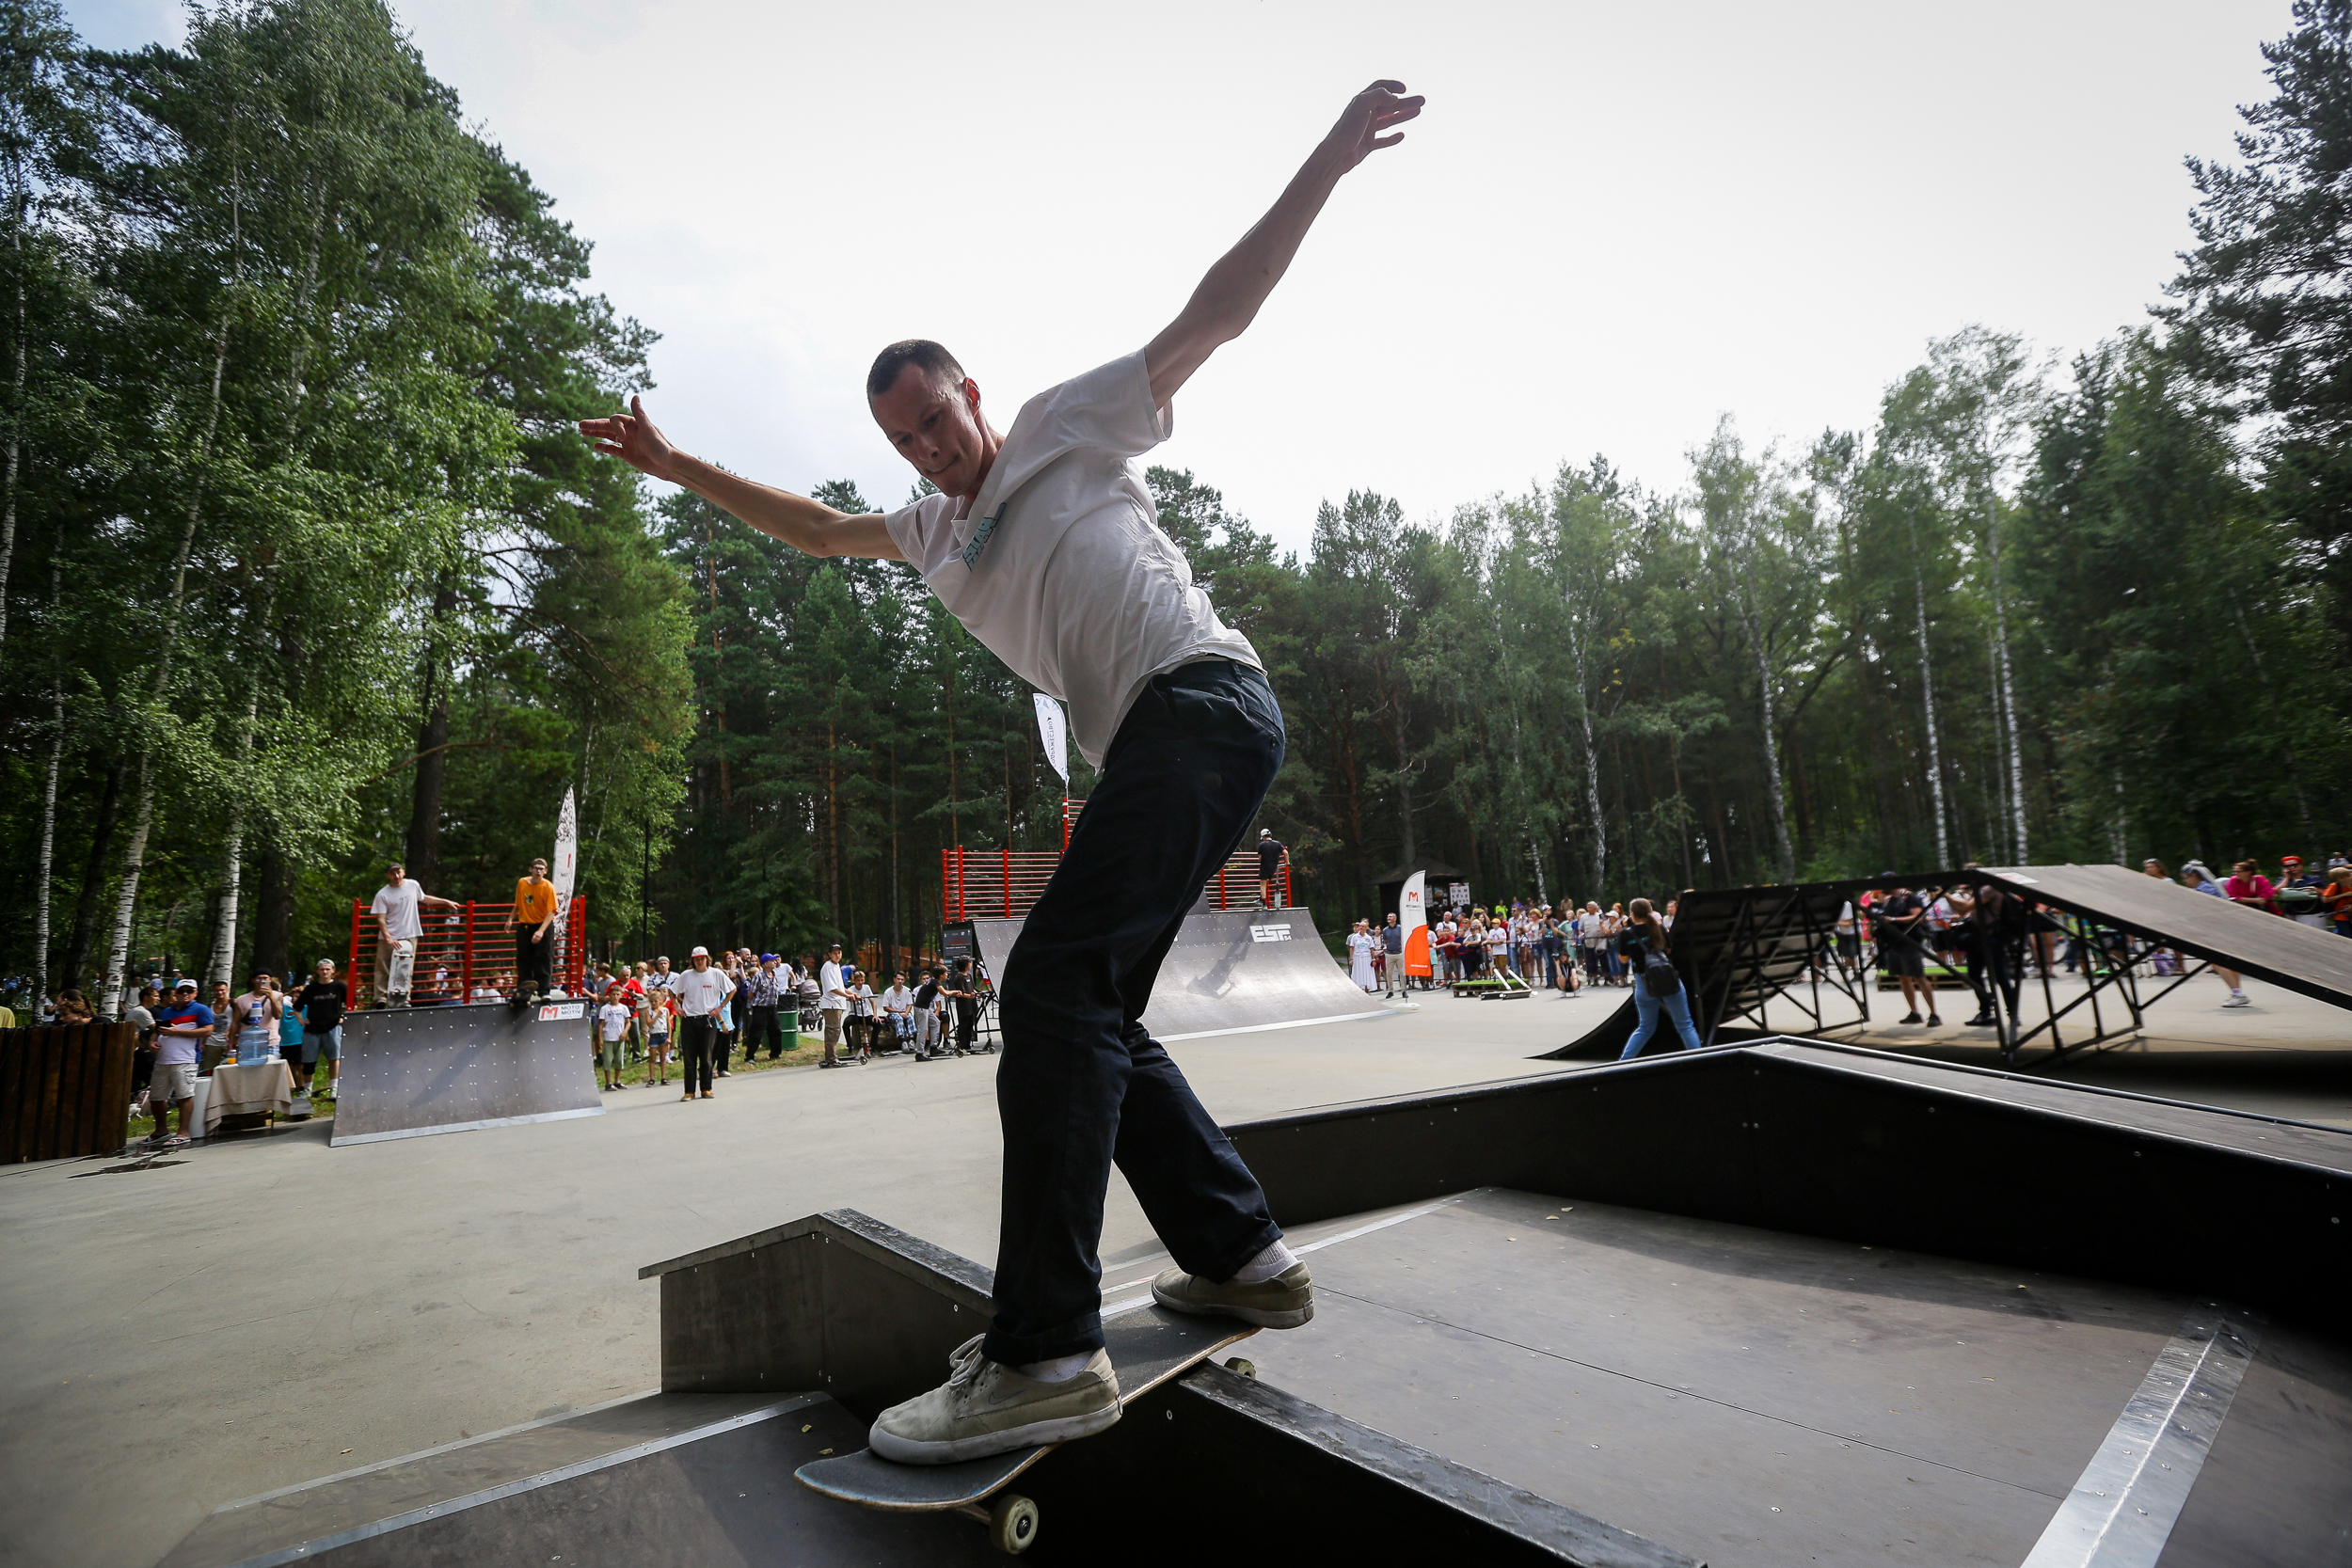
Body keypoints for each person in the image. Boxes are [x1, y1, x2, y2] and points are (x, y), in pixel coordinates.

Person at [582, 78, 1424, 1466]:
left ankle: (1045, 1351)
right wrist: (680, 467)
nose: (932, 449)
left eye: (937, 417)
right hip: (1167, 737)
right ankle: (1243, 1255)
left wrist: (1326, 160)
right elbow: (815, 531)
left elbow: (1212, 316)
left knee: (1046, 990)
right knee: (1095, 1010)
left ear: (970, 390)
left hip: (1200, 697)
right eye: (906, 440)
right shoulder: (928, 532)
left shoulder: (1059, 423)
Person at [1614, 897, 1704, 1059]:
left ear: (1632, 914)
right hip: (1668, 978)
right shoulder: (1659, 928)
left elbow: (1623, 959)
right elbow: (1668, 950)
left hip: (1644, 982)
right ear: (1650, 912)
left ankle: (1622, 1063)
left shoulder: (1627, 934)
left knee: (1645, 1028)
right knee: (1685, 1025)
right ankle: (1700, 1059)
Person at [370, 862, 459, 1006]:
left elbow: (423, 898)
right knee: (383, 966)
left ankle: (404, 997)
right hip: (390, 935)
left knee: (406, 966)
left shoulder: (413, 885)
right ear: (387, 876)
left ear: (403, 872)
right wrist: (388, 937)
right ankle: (381, 997)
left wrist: (445, 902)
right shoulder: (382, 894)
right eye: (392, 873)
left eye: (398, 872)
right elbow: (380, 918)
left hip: (410, 933)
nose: (396, 876)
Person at [143, 979, 212, 1147]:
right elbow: (157, 1031)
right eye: (182, 991)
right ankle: (161, 1131)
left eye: (189, 991)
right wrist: (152, 1042)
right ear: (176, 993)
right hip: (163, 1060)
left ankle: (183, 1132)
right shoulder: (167, 1011)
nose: (185, 994)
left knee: (184, 1095)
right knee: (156, 1097)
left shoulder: (201, 1009)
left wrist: (177, 1031)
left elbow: (207, 1030)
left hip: (185, 1059)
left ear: (195, 993)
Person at [2182, 861, 2253, 1006]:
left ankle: (2237, 993)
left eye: (2186, 878)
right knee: (2227, 962)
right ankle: (2237, 992)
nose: (2186, 881)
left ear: (2194, 876)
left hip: (2216, 930)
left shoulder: (2204, 890)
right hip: (2222, 928)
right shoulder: (2208, 887)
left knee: (2218, 962)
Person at [673, 945, 733, 1101]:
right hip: (689, 1020)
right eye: (696, 959)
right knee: (689, 1057)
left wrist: (720, 1007)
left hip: (707, 1019)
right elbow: (672, 991)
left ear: (707, 959)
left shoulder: (716, 974)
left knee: (706, 1056)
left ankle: (706, 1089)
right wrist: (677, 1007)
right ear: (692, 960)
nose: (699, 961)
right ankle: (689, 1091)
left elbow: (732, 990)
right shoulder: (686, 975)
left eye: (702, 958)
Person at [1875, 881, 1939, 1025]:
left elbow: (1918, 918)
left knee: (1919, 977)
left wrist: (1893, 919)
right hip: (1894, 942)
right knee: (1903, 978)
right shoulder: (1888, 900)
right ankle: (1914, 1012)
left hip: (1910, 942)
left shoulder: (1910, 898)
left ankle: (1934, 1014)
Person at [294, 960, 347, 1099]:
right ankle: (307, 1089)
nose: (325, 972)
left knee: (334, 1058)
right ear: (317, 971)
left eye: (327, 969)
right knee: (309, 1060)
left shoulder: (340, 986)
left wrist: (344, 1017)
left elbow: (352, 1003)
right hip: (312, 1029)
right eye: (322, 969)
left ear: (333, 970)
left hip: (333, 1027)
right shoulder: (311, 989)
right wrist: (300, 1020)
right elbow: (297, 1007)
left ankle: (334, 1087)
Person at [229, 972, 281, 1066]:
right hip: (247, 1042)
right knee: (247, 1070)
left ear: (270, 980)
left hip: (270, 1041)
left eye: (265, 978)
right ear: (253, 980)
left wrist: (271, 998)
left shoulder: (277, 996)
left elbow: (278, 1015)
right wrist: (231, 1042)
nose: (262, 981)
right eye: (258, 978)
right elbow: (236, 1022)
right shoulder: (241, 999)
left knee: (270, 1069)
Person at [741, 954, 787, 1063]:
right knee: (756, 1033)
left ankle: (775, 1054)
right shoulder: (758, 976)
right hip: (761, 1008)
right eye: (772, 961)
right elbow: (751, 993)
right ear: (765, 964)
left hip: (772, 1007)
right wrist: (753, 1005)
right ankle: (750, 1056)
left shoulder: (774, 975)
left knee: (776, 1031)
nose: (775, 962)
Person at [816, 942, 852, 1069]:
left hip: (838, 1003)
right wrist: (847, 996)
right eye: (835, 953)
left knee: (836, 1030)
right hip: (831, 1004)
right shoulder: (828, 967)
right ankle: (831, 1058)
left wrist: (852, 994)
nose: (837, 955)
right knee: (832, 1031)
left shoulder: (837, 966)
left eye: (839, 953)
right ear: (829, 954)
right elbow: (832, 988)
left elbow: (840, 986)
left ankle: (831, 1057)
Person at [596, 985, 633, 1091]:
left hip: (620, 1037)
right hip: (609, 1037)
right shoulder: (605, 1009)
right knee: (607, 1060)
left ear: (621, 995)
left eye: (617, 994)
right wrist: (600, 1039)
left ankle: (617, 1081)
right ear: (609, 995)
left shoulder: (624, 1008)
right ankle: (608, 1082)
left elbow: (628, 1022)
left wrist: (625, 1032)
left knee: (619, 1060)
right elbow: (601, 1024)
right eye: (613, 994)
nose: (615, 996)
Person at [2277, 855, 2329, 929]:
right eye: (2288, 866)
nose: (2292, 867)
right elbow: (2278, 891)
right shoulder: (2283, 880)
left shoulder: (2314, 879)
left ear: (2301, 865)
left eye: (2295, 865)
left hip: (2313, 912)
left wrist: (2315, 890)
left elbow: (2326, 892)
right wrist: (2287, 877)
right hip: (2292, 912)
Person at [943, 958, 981, 1057]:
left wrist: (977, 994)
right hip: (964, 1005)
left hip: (971, 1004)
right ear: (964, 965)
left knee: (970, 1024)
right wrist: (969, 996)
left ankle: (968, 1045)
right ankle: (962, 1045)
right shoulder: (959, 977)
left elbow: (973, 988)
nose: (971, 965)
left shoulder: (969, 975)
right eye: (969, 963)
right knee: (964, 1024)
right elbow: (960, 993)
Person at [913, 964, 946, 1060]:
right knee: (923, 1029)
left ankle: (933, 1047)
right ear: (941, 975)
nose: (947, 974)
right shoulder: (935, 982)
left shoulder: (933, 981)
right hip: (921, 1007)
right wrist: (955, 992)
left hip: (926, 1007)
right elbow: (945, 993)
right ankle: (919, 1053)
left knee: (935, 1022)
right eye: (945, 973)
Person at [882, 971, 917, 1052]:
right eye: (898, 979)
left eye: (902, 979)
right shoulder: (888, 992)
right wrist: (897, 1011)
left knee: (910, 1018)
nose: (900, 981)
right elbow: (885, 1007)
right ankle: (903, 1040)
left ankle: (911, 1039)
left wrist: (906, 1013)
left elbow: (910, 1004)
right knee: (898, 1018)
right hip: (893, 1012)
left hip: (904, 1011)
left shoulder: (907, 990)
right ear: (894, 979)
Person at [1256, 829, 1286, 909]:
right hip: (1273, 867)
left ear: (1263, 837)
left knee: (1263, 885)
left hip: (1264, 867)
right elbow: (1286, 853)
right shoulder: (1278, 843)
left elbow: (1260, 858)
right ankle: (1261, 898)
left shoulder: (1262, 845)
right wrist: (1287, 862)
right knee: (1268, 883)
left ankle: (1264, 904)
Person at [1346, 919, 1377, 992]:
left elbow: (1372, 949)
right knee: (1358, 972)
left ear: (1366, 927)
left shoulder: (1369, 938)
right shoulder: (1354, 937)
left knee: (1367, 973)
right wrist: (1351, 958)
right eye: (1360, 926)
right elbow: (1351, 948)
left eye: (1363, 926)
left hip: (1367, 957)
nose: (1361, 927)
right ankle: (1358, 989)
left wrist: (1373, 959)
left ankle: (1367, 989)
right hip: (1357, 957)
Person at [1380, 912, 1405, 998]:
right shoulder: (1385, 930)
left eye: (1390, 917)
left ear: (1395, 918)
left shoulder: (1400, 928)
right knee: (1389, 973)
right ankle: (1391, 990)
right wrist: (1385, 946)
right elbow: (1385, 941)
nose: (1388, 918)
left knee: (1402, 972)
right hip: (1389, 954)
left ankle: (1403, 990)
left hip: (1399, 953)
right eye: (1388, 917)